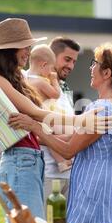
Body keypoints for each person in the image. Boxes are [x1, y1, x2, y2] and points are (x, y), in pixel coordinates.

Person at [0, 18, 112, 222]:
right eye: (25, 47)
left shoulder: (18, 79)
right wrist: (81, 121)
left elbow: (37, 124)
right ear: (10, 50)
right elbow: (35, 112)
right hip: (20, 161)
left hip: (30, 160)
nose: (28, 52)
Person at [9, 43, 112, 223]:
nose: (90, 67)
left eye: (95, 63)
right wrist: (32, 137)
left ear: (107, 73)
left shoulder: (102, 108)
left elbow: (69, 150)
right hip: (102, 187)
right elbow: (70, 139)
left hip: (91, 189)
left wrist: (34, 127)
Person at [41, 37, 81, 201]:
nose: (71, 66)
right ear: (51, 57)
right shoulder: (39, 85)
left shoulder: (63, 88)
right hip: (48, 174)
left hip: (69, 174)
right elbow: (42, 129)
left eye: (74, 62)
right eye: (67, 59)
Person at [26, 44, 72, 173]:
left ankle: (62, 162)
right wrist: (54, 80)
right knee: (54, 138)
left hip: (36, 117)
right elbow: (55, 94)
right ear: (43, 65)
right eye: (51, 68)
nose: (51, 72)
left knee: (50, 137)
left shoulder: (26, 80)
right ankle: (62, 161)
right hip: (45, 116)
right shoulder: (40, 82)